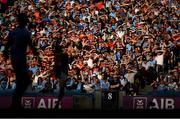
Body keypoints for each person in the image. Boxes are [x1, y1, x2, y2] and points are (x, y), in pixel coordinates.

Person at [3, 13, 40, 109]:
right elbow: (31, 45)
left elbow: (7, 46)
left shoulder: (12, 31)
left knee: (20, 81)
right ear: (25, 21)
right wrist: (37, 56)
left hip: (14, 59)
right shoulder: (25, 32)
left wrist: (6, 55)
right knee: (26, 80)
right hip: (20, 59)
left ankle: (16, 103)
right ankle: (15, 102)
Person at [53, 38, 69, 109]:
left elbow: (59, 64)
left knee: (62, 88)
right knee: (61, 88)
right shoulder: (58, 55)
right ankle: (59, 100)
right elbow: (58, 64)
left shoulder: (63, 55)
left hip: (62, 72)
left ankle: (59, 101)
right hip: (60, 72)